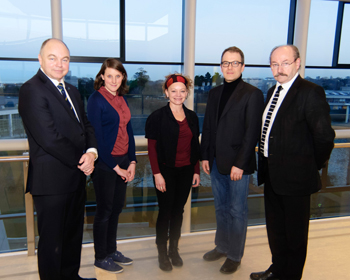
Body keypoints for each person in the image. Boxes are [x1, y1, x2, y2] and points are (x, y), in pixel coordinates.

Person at [250, 45, 335, 280]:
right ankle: (277, 270)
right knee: (276, 231)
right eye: (275, 64)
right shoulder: (272, 91)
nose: (279, 69)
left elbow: (324, 137)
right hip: (272, 175)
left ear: (297, 63)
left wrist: (310, 165)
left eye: (285, 63)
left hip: (296, 179)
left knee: (295, 237)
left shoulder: (310, 92)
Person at [18, 38, 98, 280]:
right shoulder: (31, 90)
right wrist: (82, 159)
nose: (59, 64)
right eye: (52, 58)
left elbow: (85, 125)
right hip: (51, 182)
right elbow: (49, 138)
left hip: (75, 179)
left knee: (73, 236)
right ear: (40, 59)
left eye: (64, 59)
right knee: (52, 243)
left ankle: (71, 277)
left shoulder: (72, 90)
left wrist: (92, 152)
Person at [201, 46, 264, 274]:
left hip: (239, 164)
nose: (229, 67)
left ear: (243, 66)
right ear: (221, 66)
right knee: (221, 208)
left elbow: (251, 133)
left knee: (238, 211)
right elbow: (208, 127)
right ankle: (222, 246)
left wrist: (240, 163)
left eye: (234, 63)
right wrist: (205, 156)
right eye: (225, 63)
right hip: (216, 162)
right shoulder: (214, 93)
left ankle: (235, 255)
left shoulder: (252, 94)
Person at [145, 73, 201, 271]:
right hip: (165, 171)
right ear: (166, 92)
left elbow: (195, 146)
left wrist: (196, 171)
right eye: (174, 91)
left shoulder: (193, 117)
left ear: (187, 93)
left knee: (179, 211)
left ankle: (174, 249)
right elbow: (152, 149)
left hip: (186, 171)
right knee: (165, 212)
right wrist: (157, 174)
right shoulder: (157, 118)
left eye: (182, 91)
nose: (178, 95)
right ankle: (162, 251)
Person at [87, 58, 136, 274]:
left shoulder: (121, 98)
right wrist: (117, 168)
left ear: (123, 77)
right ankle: (100, 257)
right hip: (106, 165)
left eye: (118, 75)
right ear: (102, 77)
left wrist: (132, 161)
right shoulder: (96, 100)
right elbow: (97, 138)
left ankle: (111, 250)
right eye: (109, 76)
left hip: (124, 161)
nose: (114, 80)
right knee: (104, 211)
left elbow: (130, 131)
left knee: (116, 209)